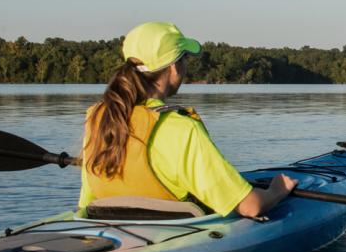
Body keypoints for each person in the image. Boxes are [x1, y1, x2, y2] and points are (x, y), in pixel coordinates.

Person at [77, 22, 296, 219]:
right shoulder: (179, 127)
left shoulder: (99, 118)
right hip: (173, 232)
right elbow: (251, 206)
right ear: (173, 67)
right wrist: (277, 191)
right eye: (184, 58)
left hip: (105, 226)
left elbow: (86, 202)